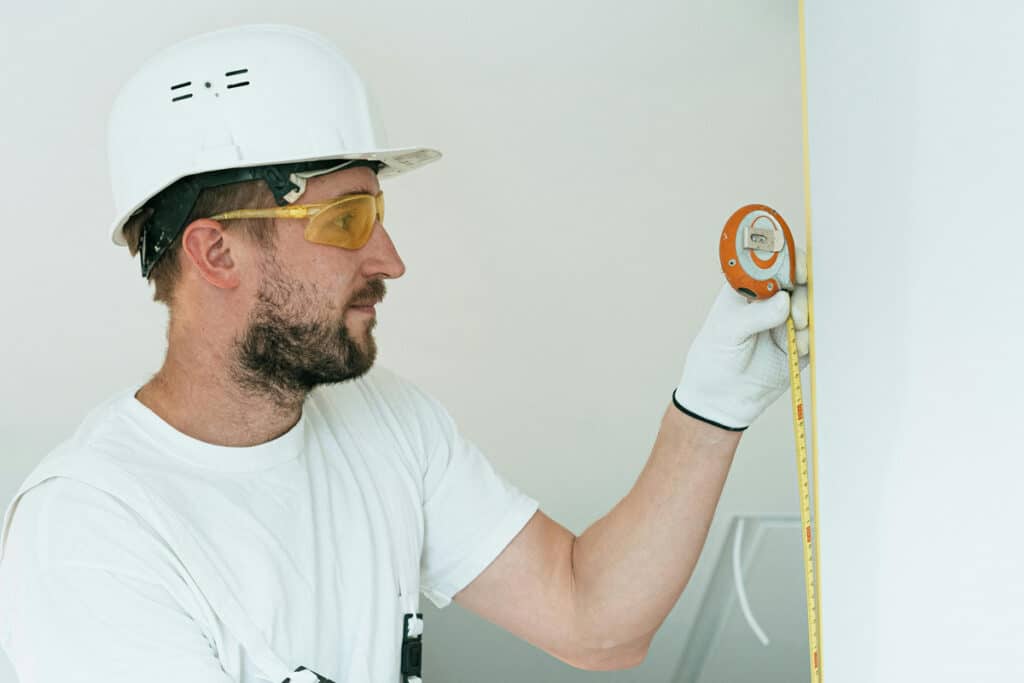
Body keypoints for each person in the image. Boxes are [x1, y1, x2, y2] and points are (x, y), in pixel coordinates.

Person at [0, 23, 809, 683]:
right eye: (347, 219)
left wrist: (713, 408)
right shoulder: (93, 533)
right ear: (216, 254)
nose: (390, 258)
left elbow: (593, 619)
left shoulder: (384, 424)